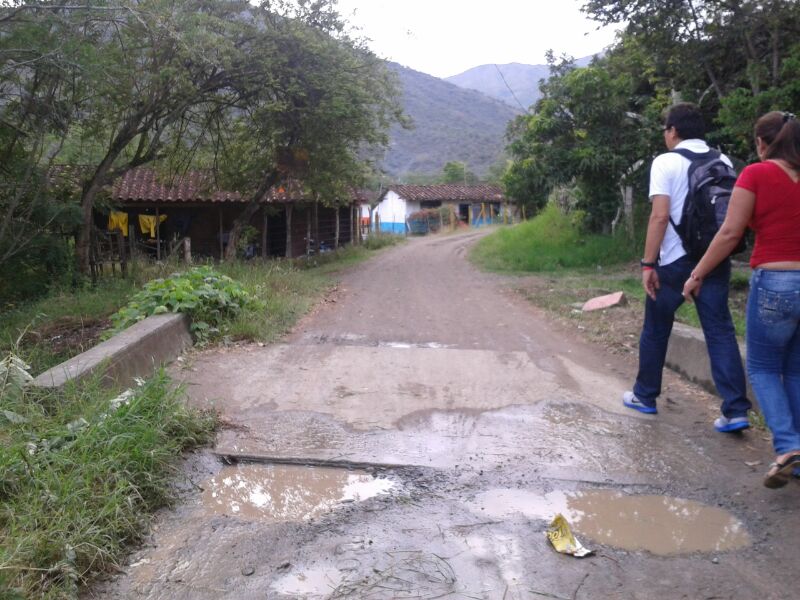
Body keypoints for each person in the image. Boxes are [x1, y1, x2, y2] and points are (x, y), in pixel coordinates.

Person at [682, 110, 800, 488]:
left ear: (763, 143)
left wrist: (697, 273)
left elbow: (731, 232)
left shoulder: (756, 173)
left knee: (764, 367)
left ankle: (787, 447)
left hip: (775, 281)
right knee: (796, 370)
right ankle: (796, 454)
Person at [622, 103, 752, 431]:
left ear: (674, 131)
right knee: (720, 331)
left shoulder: (666, 162)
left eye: (665, 128)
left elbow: (660, 216)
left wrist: (648, 263)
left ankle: (645, 395)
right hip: (714, 261)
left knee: (655, 327)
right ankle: (736, 410)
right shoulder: (722, 161)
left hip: (674, 263)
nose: (664, 134)